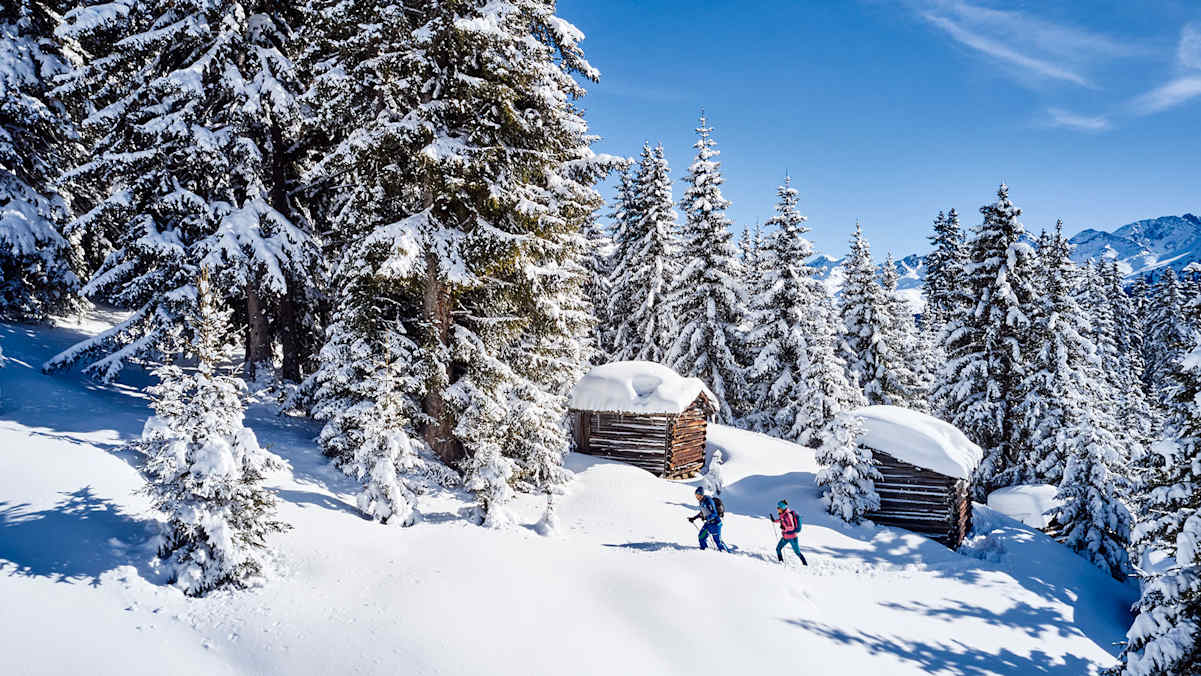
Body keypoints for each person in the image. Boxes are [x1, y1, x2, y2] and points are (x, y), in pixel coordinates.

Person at [688, 487, 729, 552]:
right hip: (708, 524)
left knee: (718, 541)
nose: (696, 497)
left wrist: (706, 518)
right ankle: (704, 551)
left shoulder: (708, 501)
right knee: (701, 537)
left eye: (698, 495)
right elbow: (703, 512)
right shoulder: (701, 501)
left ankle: (727, 554)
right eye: (696, 495)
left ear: (701, 494)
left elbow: (714, 513)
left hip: (715, 524)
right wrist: (694, 518)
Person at [770, 499, 807, 565]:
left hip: (792, 537)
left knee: (797, 552)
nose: (777, 509)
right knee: (778, 548)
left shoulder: (788, 515)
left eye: (778, 508)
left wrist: (785, 528)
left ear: (782, 508)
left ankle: (805, 564)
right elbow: (781, 520)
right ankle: (780, 563)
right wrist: (774, 520)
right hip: (785, 537)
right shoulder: (783, 514)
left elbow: (792, 526)